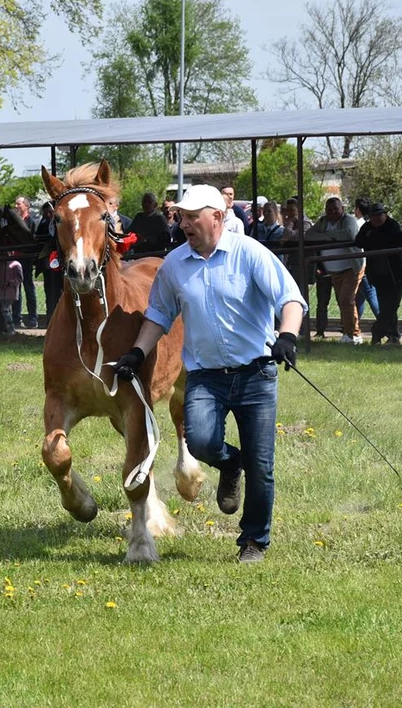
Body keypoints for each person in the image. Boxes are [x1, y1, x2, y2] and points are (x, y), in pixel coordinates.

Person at [112, 184, 307, 564]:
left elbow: (291, 299)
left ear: (216, 217)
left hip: (256, 375)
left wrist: (287, 336)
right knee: (200, 442)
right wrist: (138, 351)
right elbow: (158, 315)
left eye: (192, 215)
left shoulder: (249, 253)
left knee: (262, 466)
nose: (184, 222)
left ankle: (253, 542)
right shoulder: (174, 265)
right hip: (205, 375)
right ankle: (229, 463)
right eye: (181, 216)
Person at [305, 197, 364, 344]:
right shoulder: (323, 221)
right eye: (329, 210)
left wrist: (325, 238)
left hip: (352, 267)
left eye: (335, 209)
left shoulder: (349, 220)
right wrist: (331, 238)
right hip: (333, 270)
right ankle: (353, 333)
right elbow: (309, 235)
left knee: (346, 299)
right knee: (343, 301)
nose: (332, 212)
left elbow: (349, 234)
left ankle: (351, 335)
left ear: (342, 209)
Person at [355, 203, 402, 344]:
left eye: (379, 215)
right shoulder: (367, 227)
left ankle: (378, 331)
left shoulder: (392, 225)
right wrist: (373, 238)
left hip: (396, 272)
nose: (376, 218)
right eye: (373, 216)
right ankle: (392, 335)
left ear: (385, 214)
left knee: (392, 305)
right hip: (378, 272)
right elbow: (359, 241)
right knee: (385, 304)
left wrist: (372, 239)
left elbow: (392, 240)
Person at [12, 195, 39, 328]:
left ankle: (32, 318)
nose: (16, 207)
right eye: (16, 204)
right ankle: (16, 318)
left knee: (29, 288)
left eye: (19, 204)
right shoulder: (14, 222)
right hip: (14, 260)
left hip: (26, 260)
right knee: (16, 289)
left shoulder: (31, 222)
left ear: (26, 206)